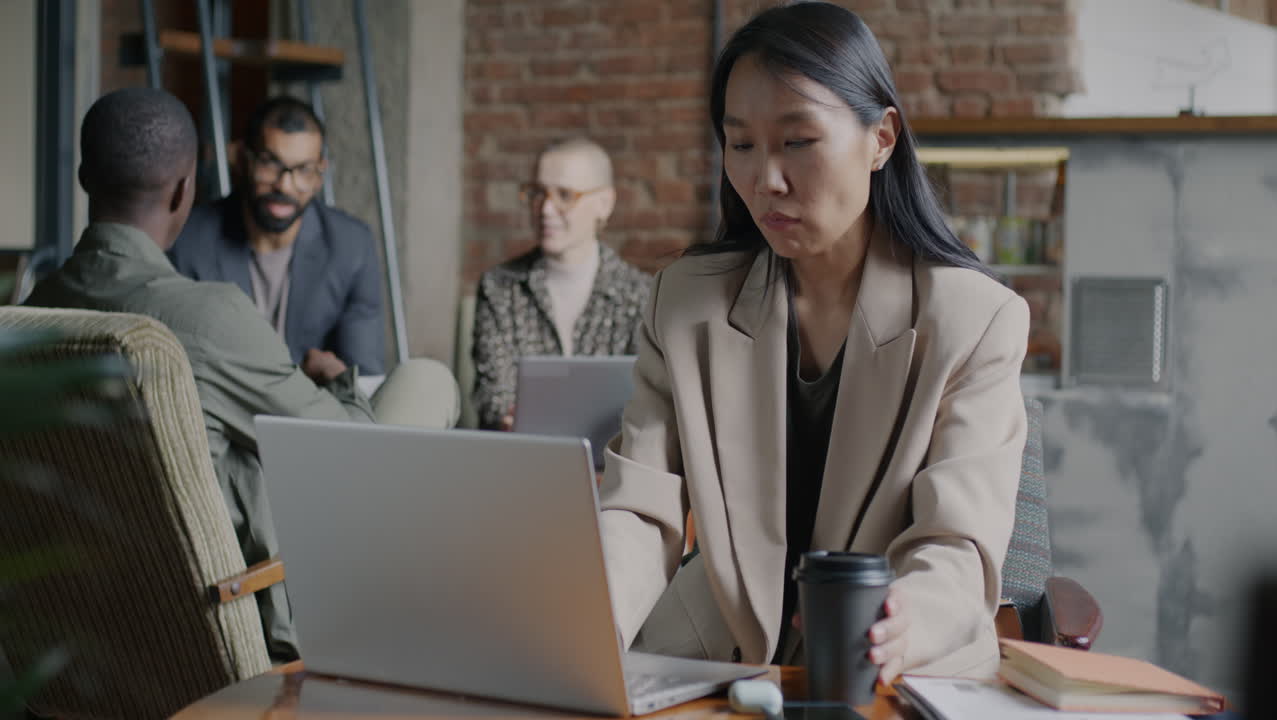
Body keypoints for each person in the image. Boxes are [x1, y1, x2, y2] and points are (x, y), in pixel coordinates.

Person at [598, 1, 1029, 684]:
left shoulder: (974, 320)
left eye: (796, 141)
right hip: (714, 656)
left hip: (889, 664)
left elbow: (956, 542)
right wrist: (584, 626)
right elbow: (639, 509)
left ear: (881, 138)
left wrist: (902, 617)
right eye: (741, 144)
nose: (765, 178)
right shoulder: (686, 301)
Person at [25, 88, 456, 661]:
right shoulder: (208, 315)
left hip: (76, 623)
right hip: (226, 605)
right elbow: (353, 450)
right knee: (428, 384)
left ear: (84, 177)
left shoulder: (32, 312)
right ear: (186, 188)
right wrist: (334, 384)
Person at [168, 96, 386, 378]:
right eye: (270, 163)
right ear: (243, 159)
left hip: (313, 412)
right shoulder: (190, 239)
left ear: (320, 173)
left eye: (304, 170)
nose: (284, 184)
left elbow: (363, 374)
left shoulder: (352, 245)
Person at [471, 137, 651, 431]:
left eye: (565, 195)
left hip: (612, 466)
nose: (545, 210)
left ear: (604, 203)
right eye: (538, 193)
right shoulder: (499, 287)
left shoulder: (641, 295)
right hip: (523, 460)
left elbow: (645, 407)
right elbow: (495, 400)